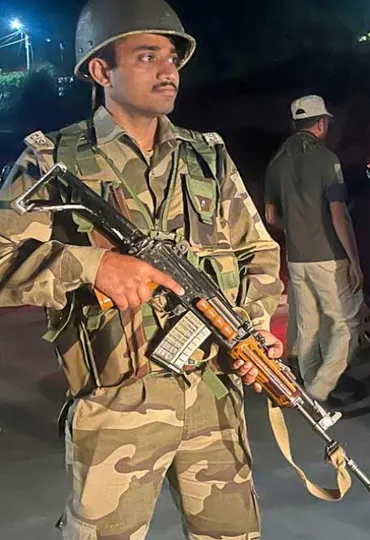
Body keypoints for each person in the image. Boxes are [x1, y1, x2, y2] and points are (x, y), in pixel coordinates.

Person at [0, 0, 283, 537]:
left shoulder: (207, 158)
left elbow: (258, 253)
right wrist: (93, 266)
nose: (168, 71)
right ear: (101, 71)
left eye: (172, 58)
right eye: (147, 57)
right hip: (116, 405)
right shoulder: (52, 160)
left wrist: (255, 325)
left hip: (214, 395)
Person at [265, 95, 366, 405]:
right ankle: (320, 388)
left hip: (296, 258)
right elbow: (338, 215)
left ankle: (310, 388)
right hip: (328, 256)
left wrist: (296, 229)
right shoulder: (326, 159)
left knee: (308, 326)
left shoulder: (277, 163)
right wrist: (354, 261)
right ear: (321, 123)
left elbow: (271, 216)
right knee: (345, 324)